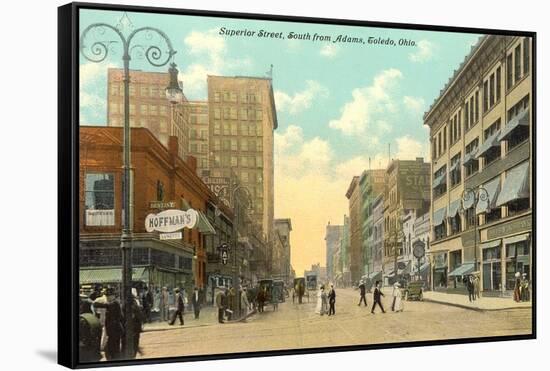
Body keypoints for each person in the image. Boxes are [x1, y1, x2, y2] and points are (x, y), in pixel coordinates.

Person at [93, 287, 123, 361]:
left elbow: (101, 305)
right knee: (110, 348)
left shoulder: (114, 303)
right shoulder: (112, 303)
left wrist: (92, 302)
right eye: (107, 295)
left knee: (113, 349)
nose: (108, 297)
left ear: (113, 296)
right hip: (111, 330)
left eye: (109, 295)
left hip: (115, 330)